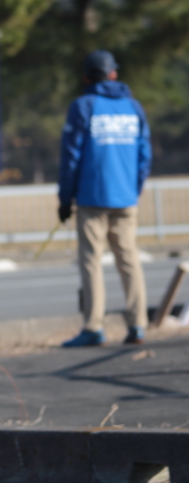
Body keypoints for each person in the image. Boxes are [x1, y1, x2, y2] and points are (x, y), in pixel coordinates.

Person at [58, 50, 152, 347]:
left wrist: (65, 198)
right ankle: (138, 324)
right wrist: (134, 189)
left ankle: (93, 327)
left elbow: (71, 157)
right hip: (126, 197)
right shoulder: (133, 107)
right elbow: (144, 154)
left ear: (86, 78)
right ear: (113, 74)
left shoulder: (83, 106)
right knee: (129, 259)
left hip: (92, 197)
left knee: (91, 261)